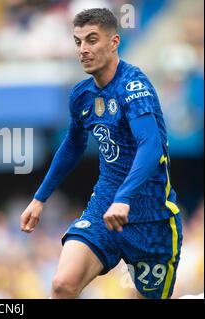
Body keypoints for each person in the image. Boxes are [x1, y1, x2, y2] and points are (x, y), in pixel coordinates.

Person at [20, 8, 182, 299]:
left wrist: (125, 199)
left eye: (91, 40)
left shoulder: (134, 86)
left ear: (114, 42)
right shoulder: (82, 95)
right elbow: (73, 145)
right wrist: (40, 198)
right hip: (104, 208)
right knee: (62, 285)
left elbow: (151, 145)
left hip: (151, 219)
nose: (83, 49)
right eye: (78, 42)